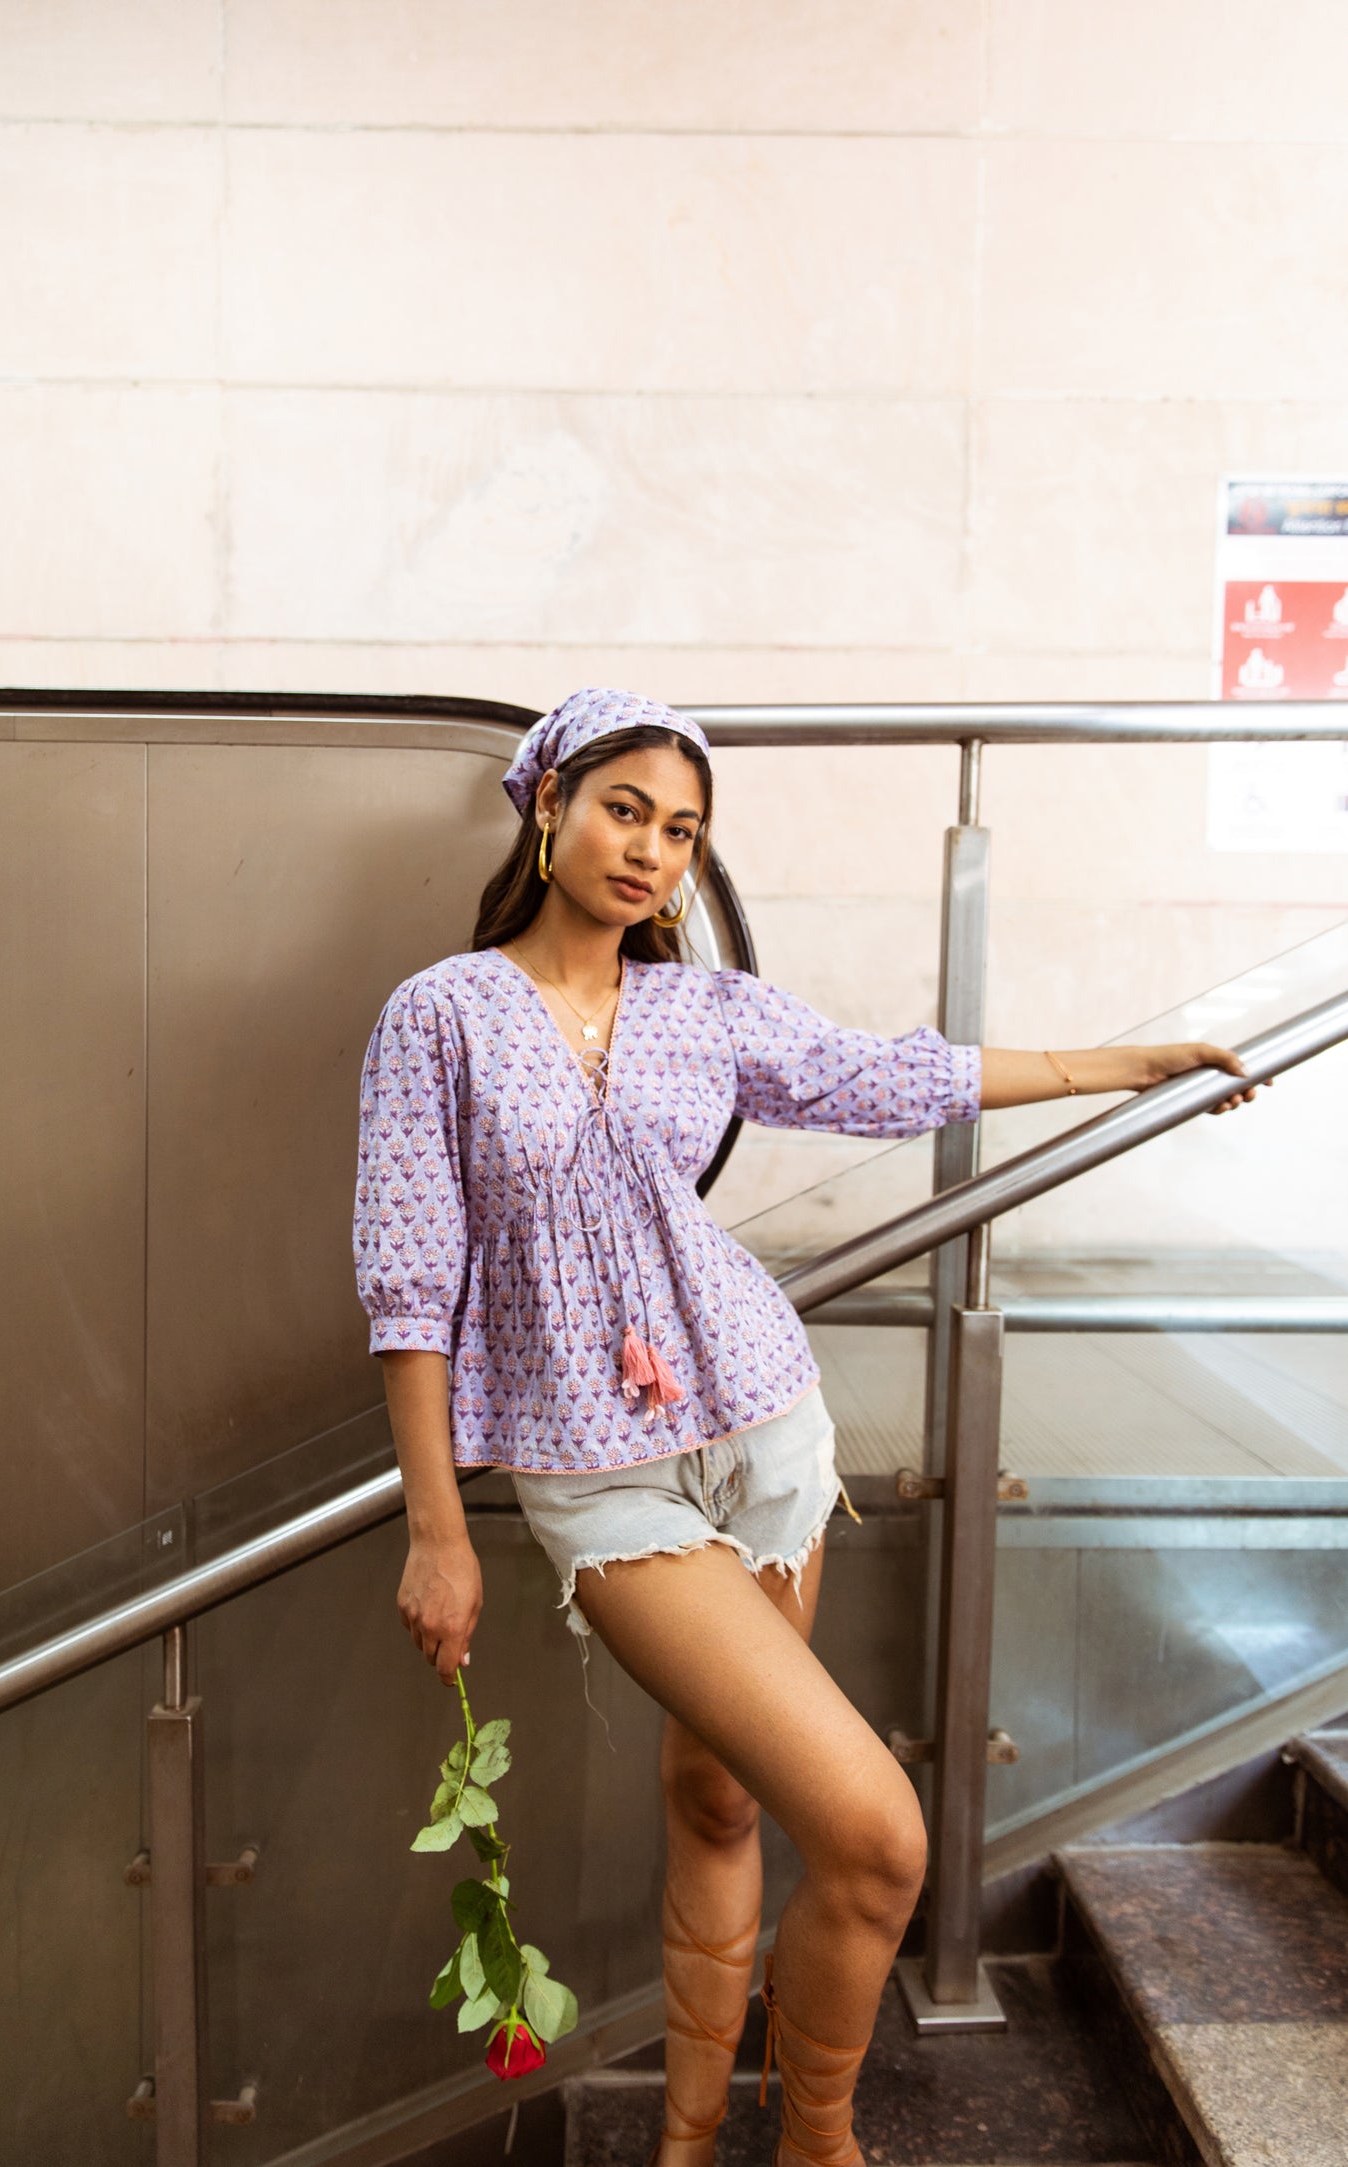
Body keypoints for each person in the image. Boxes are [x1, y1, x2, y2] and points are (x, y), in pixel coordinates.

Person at [352, 688, 1261, 2167]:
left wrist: (1129, 1062)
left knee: (718, 1795)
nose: (651, 850)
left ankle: (696, 2140)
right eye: (626, 809)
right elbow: (408, 1283)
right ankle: (820, 2145)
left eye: (684, 833)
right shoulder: (438, 1014)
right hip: (601, 1470)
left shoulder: (702, 1008)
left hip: (762, 1423)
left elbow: (891, 1075)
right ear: (550, 808)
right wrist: (437, 1529)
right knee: (879, 1835)